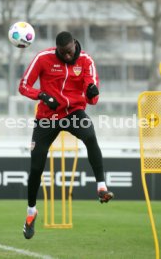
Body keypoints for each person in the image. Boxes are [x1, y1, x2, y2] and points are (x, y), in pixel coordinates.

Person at [19, 31, 114, 240]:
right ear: (57, 50)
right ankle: (31, 212)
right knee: (36, 166)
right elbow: (23, 86)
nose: (67, 56)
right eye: (63, 53)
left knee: (90, 135)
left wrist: (92, 92)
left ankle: (101, 187)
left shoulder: (87, 61)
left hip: (73, 113)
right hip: (47, 116)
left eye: (70, 52)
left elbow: (93, 97)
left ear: (74, 45)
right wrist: (42, 95)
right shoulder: (43, 58)